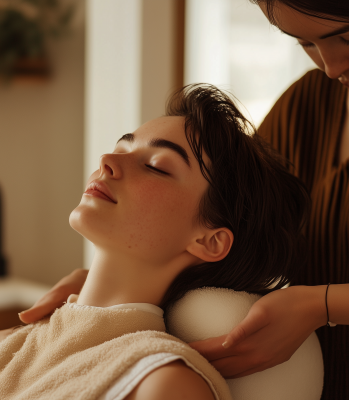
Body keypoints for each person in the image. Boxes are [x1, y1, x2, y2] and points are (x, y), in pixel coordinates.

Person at [19, 1, 349, 399]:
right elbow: (242, 209)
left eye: (345, 37)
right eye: (305, 45)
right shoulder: (308, 106)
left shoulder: (165, 384)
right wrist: (113, 285)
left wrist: (326, 304)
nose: (330, 66)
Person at [0, 85, 310, 400]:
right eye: (121, 148)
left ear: (209, 240)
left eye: (156, 165)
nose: (107, 161)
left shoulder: (161, 385)